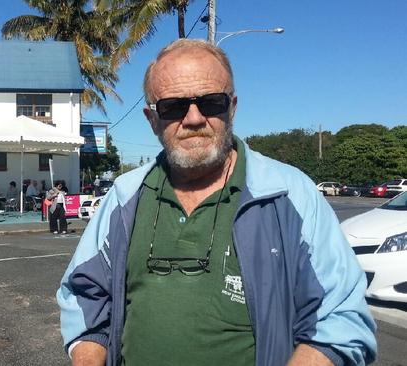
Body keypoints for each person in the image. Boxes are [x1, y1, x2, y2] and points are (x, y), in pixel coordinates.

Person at [56, 39, 376, 366]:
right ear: (152, 119)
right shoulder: (125, 197)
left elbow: (340, 318)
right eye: (174, 107)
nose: (194, 118)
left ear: (232, 108)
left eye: (211, 102)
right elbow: (85, 295)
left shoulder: (289, 194)